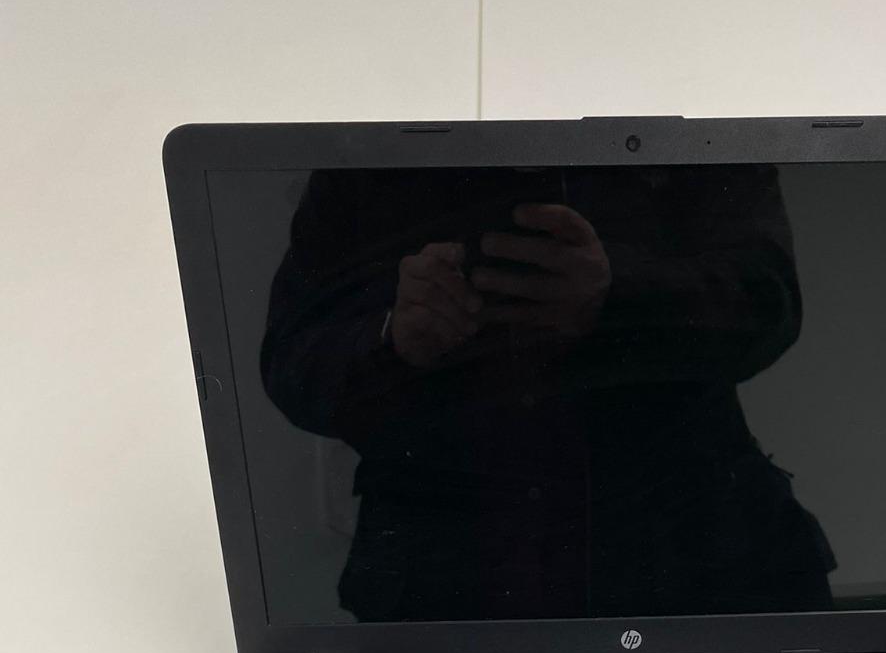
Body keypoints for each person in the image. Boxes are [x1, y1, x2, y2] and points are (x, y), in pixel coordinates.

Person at [261, 163, 834, 622]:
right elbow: (291, 364)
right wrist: (393, 337)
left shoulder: (685, 129)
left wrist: (617, 296)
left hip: (694, 558)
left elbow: (769, 304)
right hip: (459, 582)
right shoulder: (369, 163)